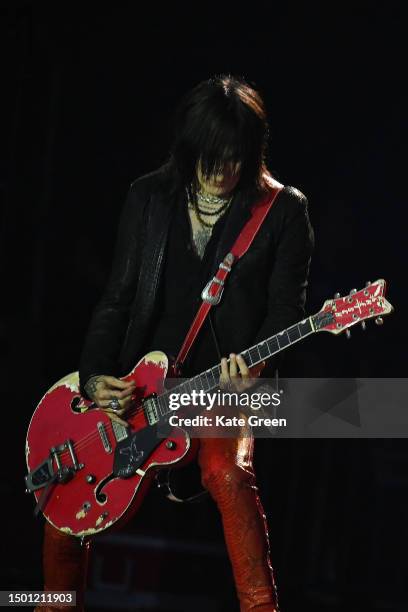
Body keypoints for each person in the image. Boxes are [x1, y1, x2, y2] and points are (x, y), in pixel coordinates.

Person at [37, 75, 314, 612]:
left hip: (221, 391)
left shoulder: (284, 211)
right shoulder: (148, 197)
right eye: (211, 159)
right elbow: (116, 300)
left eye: (236, 158)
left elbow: (286, 312)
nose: (222, 173)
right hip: (141, 388)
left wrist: (255, 370)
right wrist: (95, 376)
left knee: (227, 473)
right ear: (189, 151)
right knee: (63, 501)